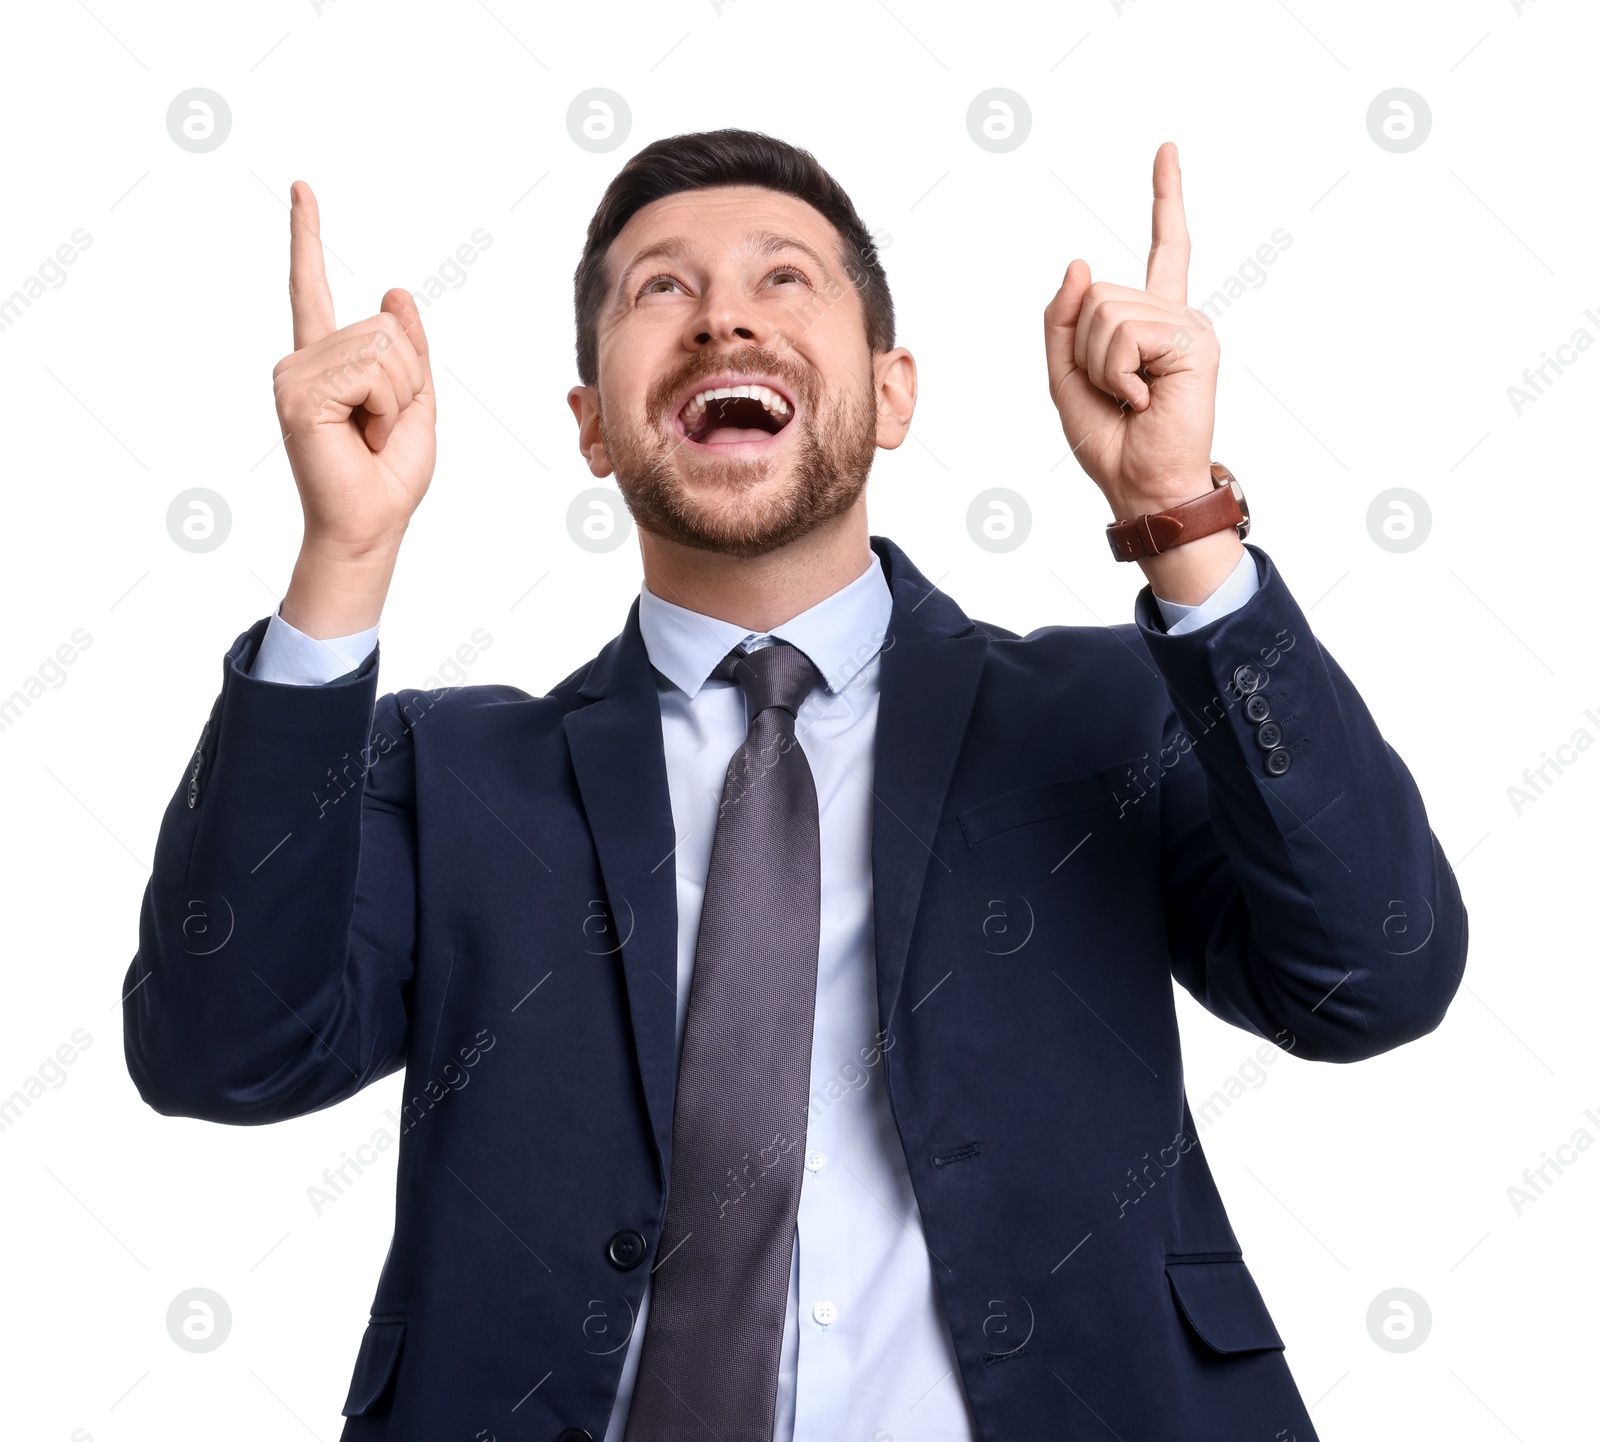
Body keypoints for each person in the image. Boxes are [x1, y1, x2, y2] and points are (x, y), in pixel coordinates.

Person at [123, 128, 1466, 1442]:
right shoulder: (453, 772)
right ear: (592, 427)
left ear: (892, 394)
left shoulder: (1102, 713)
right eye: (662, 290)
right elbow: (220, 1049)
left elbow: (1372, 975)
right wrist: (342, 562)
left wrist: (1181, 519)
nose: (722, 324)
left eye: (784, 279)